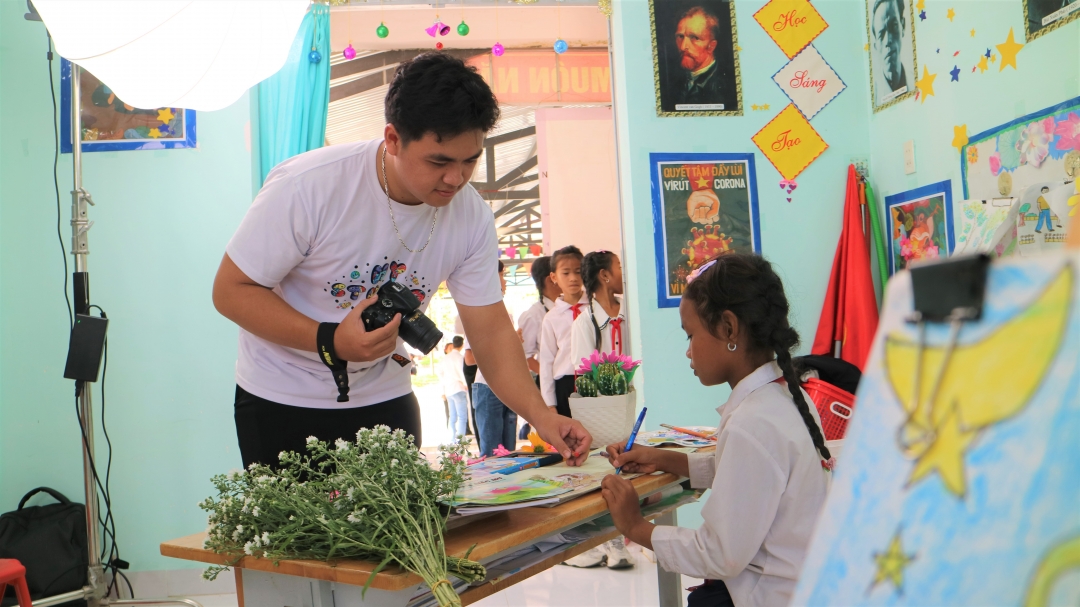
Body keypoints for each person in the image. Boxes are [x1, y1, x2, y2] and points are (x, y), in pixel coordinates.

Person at [213, 52, 591, 469]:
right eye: (439, 161)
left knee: (406, 533)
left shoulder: (471, 216)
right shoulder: (308, 187)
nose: (456, 179)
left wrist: (542, 416)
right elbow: (231, 291)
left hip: (386, 398)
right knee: (298, 536)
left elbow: (492, 334)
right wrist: (331, 341)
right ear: (393, 139)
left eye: (470, 160)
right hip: (281, 399)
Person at [600, 253, 830, 607]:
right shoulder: (786, 395)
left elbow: (719, 554)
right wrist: (667, 460)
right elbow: (753, 477)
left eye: (691, 335)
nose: (688, 352)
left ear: (728, 328)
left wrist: (635, 527)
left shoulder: (754, 423)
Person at [564, 250, 635, 571]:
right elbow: (582, 375)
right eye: (619, 267)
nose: (624, 272)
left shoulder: (628, 314)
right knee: (605, 472)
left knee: (628, 466)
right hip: (602, 411)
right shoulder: (584, 322)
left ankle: (617, 539)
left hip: (627, 405)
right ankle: (610, 541)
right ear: (605, 276)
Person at [464, 260, 518, 456]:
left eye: (503, 275)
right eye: (500, 275)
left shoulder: (506, 313)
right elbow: (470, 358)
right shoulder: (477, 313)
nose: (504, 280)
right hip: (488, 388)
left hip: (508, 387)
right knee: (492, 454)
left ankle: (510, 488)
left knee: (509, 454)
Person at [517, 256, 561, 439]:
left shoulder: (572, 308)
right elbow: (525, 358)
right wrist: (549, 373)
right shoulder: (534, 314)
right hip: (551, 385)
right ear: (550, 278)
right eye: (563, 272)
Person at [539, 246, 585, 418]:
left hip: (594, 380)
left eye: (578, 271)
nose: (573, 278)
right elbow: (546, 361)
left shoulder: (595, 309)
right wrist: (550, 403)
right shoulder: (551, 318)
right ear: (554, 277)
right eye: (566, 273)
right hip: (564, 384)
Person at [671, 6, 735, 110]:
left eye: (694, 38)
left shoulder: (728, 87)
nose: (683, 47)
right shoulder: (673, 82)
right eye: (680, 37)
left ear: (711, 46)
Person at [871, 0, 912, 102]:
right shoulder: (873, 99)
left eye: (893, 26)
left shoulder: (917, 82)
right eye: (881, 34)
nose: (887, 41)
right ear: (876, 46)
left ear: (903, 26)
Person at [439, 336, 469, 439]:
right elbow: (462, 372)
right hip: (458, 387)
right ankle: (460, 440)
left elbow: (440, 374)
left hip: (449, 389)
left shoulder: (445, 358)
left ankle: (451, 439)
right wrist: (465, 384)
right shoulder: (460, 357)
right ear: (462, 345)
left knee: (452, 417)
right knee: (462, 417)